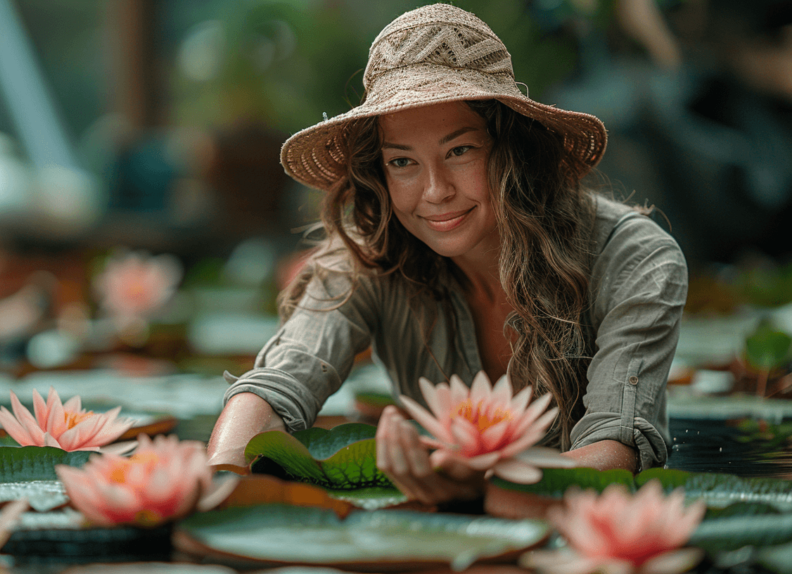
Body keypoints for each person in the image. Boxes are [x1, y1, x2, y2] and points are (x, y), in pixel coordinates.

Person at [207, 3, 687, 505]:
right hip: (429, 528)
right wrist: (222, 480)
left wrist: (477, 490)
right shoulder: (366, 256)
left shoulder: (634, 259)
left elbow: (615, 454)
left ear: (513, 150)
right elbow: (275, 387)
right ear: (379, 172)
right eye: (402, 161)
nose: (435, 191)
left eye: (460, 151)